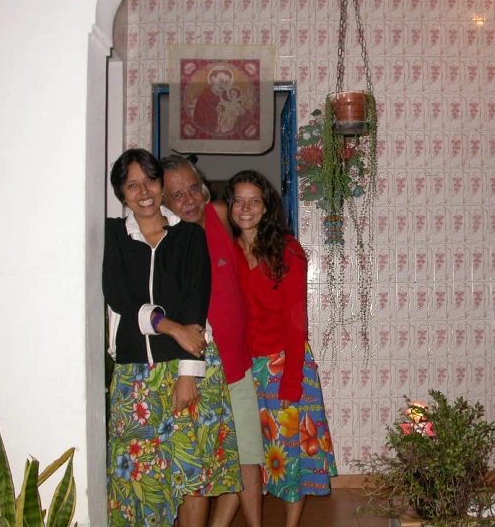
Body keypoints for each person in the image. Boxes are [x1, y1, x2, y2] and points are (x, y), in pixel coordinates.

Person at [103, 149, 241, 527]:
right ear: (121, 192)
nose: (143, 191)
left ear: (161, 186)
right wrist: (171, 327)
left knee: (190, 476)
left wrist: (188, 373)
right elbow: (121, 298)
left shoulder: (189, 237)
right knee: (139, 479)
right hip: (135, 377)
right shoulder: (113, 235)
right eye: (132, 185)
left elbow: (195, 307)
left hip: (187, 367)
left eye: (150, 181)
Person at [225, 170, 337, 527]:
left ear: (267, 206)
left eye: (254, 200)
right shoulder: (227, 253)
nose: (246, 208)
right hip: (244, 369)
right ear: (230, 206)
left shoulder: (288, 250)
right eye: (238, 200)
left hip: (286, 363)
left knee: (292, 456)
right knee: (248, 455)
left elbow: (296, 321)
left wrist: (291, 382)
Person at [160, 154, 264, 527]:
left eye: (193, 189)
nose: (189, 200)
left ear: (204, 190)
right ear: (163, 202)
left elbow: (255, 215)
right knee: (200, 463)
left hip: (237, 362)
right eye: (177, 195)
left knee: (249, 456)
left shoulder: (219, 214)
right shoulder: (166, 241)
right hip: (197, 366)